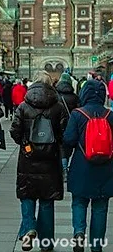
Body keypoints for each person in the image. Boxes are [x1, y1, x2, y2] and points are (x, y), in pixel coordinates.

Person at [9, 71, 64, 252]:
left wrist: (25, 144)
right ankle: (46, 242)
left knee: (27, 195)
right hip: (50, 159)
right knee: (47, 200)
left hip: (28, 158)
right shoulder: (57, 106)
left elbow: (14, 131)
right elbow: (65, 132)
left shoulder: (24, 106)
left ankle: (28, 229)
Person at [63, 80, 113, 252]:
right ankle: (96, 246)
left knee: (79, 202)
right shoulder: (110, 114)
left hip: (81, 166)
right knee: (100, 207)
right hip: (106, 168)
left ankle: (78, 233)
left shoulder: (78, 114)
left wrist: (65, 161)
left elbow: (68, 140)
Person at [56, 73, 80, 181]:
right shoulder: (75, 97)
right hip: (72, 126)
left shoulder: (56, 96)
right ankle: (68, 166)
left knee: (61, 148)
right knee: (69, 147)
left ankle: (64, 168)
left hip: (59, 125)